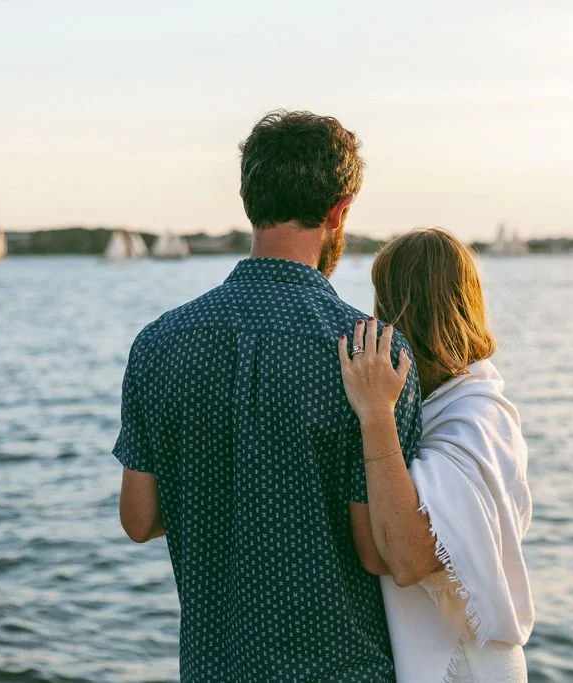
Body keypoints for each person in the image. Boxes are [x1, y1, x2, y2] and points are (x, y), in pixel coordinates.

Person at [111, 110, 429, 681]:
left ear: (249, 201)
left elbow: (139, 519)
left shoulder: (159, 343)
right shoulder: (374, 356)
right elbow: (376, 552)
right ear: (340, 212)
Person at [338, 228, 535, 682]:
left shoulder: (477, 417)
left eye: (382, 302)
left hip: (467, 667)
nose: (374, 317)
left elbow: (408, 559)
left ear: (407, 310)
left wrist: (375, 414)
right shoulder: (443, 402)